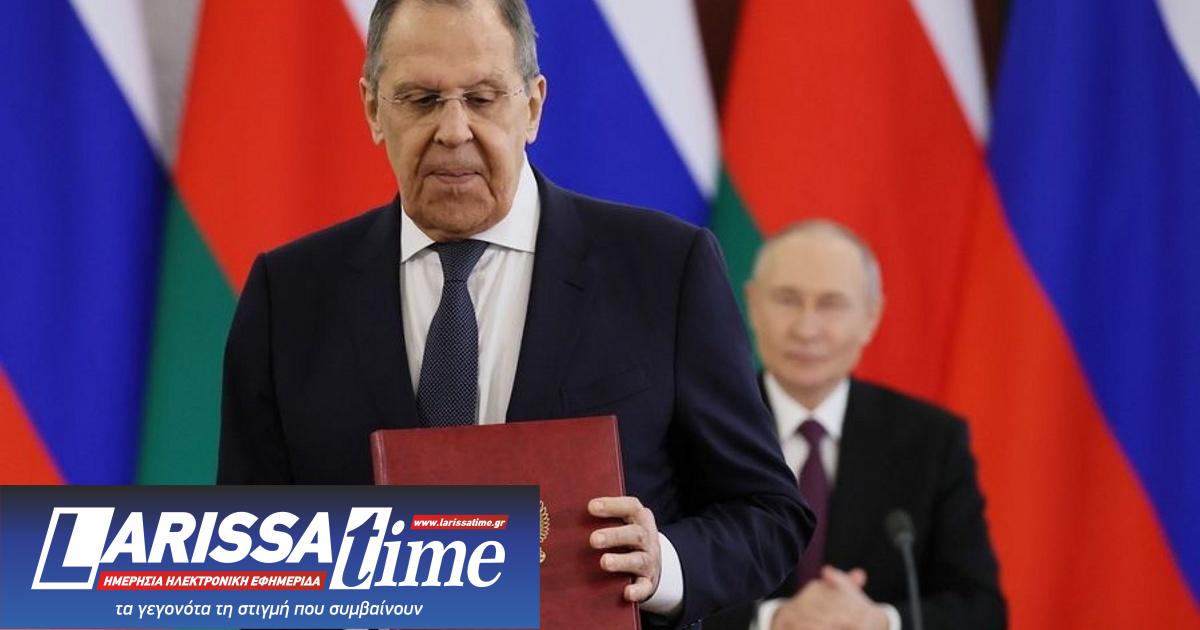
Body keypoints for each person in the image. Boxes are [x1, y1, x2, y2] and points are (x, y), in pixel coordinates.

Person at [217, 0, 811, 626]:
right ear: (372, 108)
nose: (453, 130)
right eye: (420, 99)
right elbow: (241, 550)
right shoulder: (290, 294)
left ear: (532, 105)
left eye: (482, 98)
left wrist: (663, 564)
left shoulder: (663, 269)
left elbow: (768, 513)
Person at [706, 221, 1005, 630]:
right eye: (787, 300)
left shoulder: (932, 440)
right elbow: (656, 591)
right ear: (753, 305)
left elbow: (982, 610)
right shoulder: (700, 428)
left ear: (871, 316)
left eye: (831, 304)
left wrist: (880, 621)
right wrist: (771, 620)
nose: (806, 329)